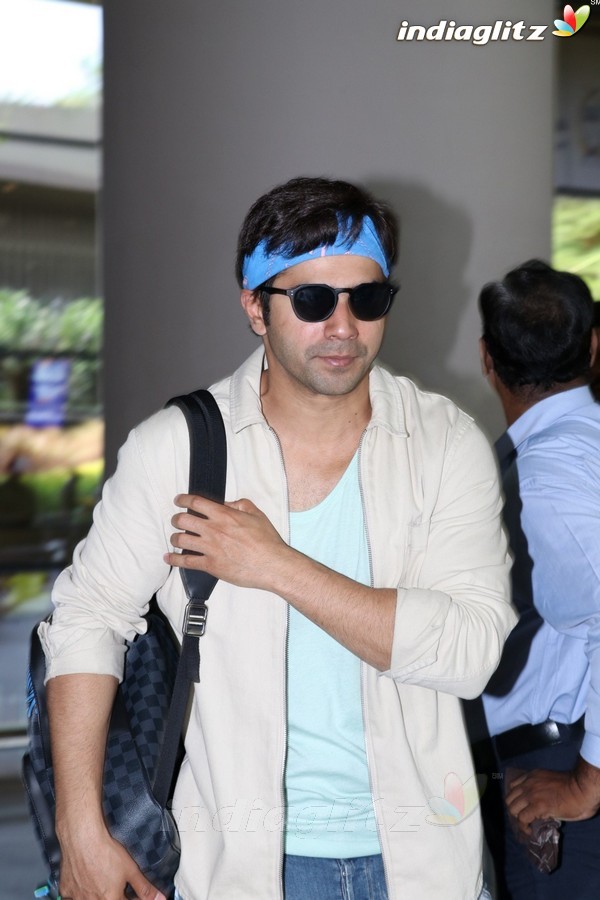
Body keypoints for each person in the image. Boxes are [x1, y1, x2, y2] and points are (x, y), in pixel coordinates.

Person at [41, 176, 514, 900]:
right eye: (315, 301)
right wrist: (80, 833)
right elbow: (86, 620)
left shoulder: (443, 443)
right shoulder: (180, 449)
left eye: (369, 298)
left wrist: (276, 565)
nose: (345, 327)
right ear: (255, 307)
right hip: (241, 866)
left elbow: (471, 654)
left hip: (424, 864)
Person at [479, 259, 600, 898]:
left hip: (566, 768)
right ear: (594, 345)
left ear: (486, 359)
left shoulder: (548, 472)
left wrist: (586, 782)